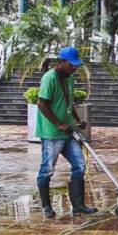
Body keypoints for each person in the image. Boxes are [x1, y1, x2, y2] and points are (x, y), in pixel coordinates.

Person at [35, 46, 96, 218]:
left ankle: (78, 206)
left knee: (79, 165)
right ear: (61, 62)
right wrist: (58, 124)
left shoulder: (69, 78)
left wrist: (77, 121)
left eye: (76, 65)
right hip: (52, 134)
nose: (74, 68)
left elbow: (69, 102)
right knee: (47, 170)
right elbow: (41, 104)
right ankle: (46, 207)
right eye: (71, 65)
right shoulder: (49, 78)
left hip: (69, 133)